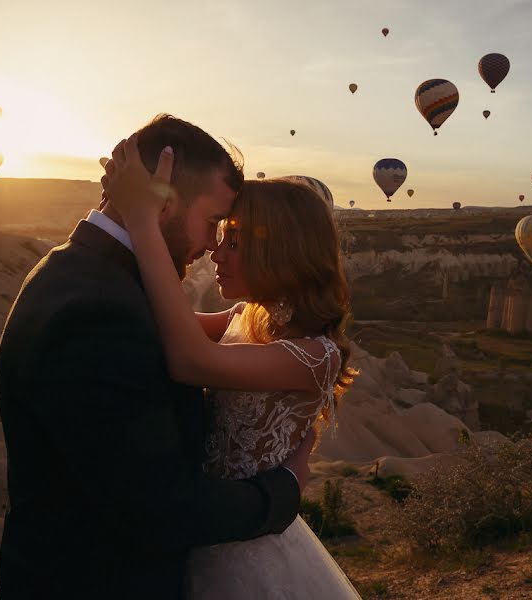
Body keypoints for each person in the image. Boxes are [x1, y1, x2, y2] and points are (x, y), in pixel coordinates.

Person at [0, 115, 312, 600]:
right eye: (212, 223)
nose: (213, 244)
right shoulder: (98, 309)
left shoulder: (77, 270)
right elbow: (159, 506)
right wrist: (284, 489)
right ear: (162, 204)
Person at [103, 134, 361, 599]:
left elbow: (187, 359)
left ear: (281, 249)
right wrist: (118, 213)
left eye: (235, 241)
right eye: (220, 234)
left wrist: (141, 222)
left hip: (249, 550)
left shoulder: (314, 356)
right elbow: (163, 318)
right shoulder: (247, 316)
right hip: (203, 525)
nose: (216, 253)